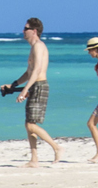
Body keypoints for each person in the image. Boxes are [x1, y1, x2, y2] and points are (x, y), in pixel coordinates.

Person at [5, 17, 59, 165]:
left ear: (34, 31)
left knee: (30, 125)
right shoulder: (33, 47)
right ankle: (34, 159)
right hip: (35, 85)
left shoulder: (38, 46)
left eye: (26, 28)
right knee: (28, 124)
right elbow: (28, 73)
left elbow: (37, 70)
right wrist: (13, 85)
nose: (23, 31)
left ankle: (56, 148)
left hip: (39, 85)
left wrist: (25, 90)